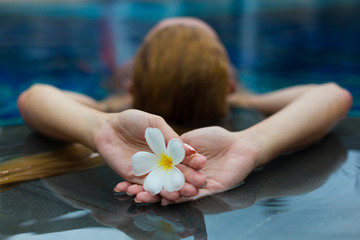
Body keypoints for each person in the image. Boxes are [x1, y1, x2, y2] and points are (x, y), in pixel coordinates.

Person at [16, 17, 352, 205]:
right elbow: (332, 95)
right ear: (230, 85)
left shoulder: (112, 107)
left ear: (133, 85)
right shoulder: (242, 101)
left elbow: (34, 97)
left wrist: (101, 122)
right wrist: (250, 117)